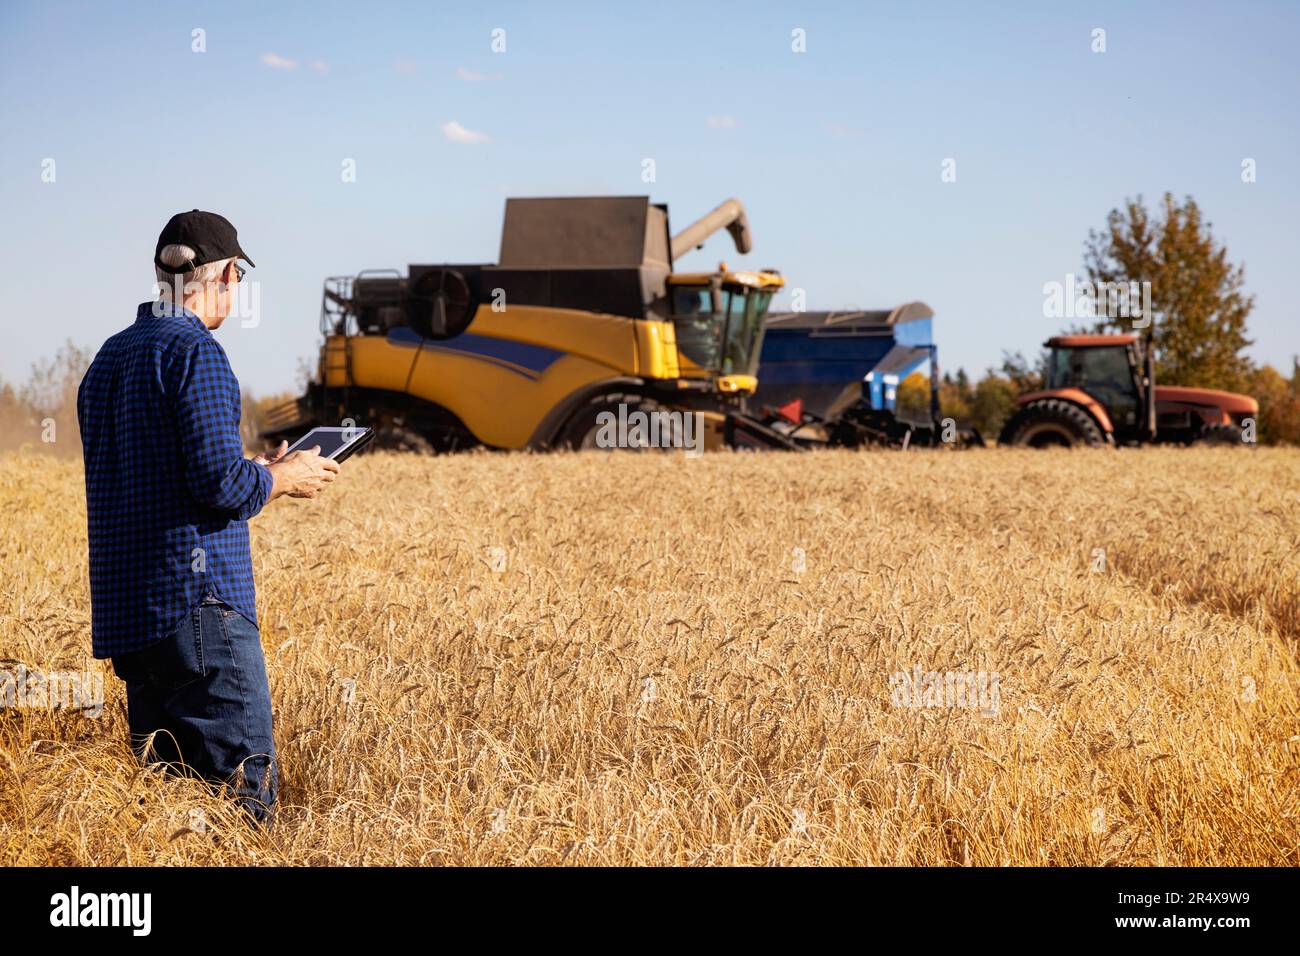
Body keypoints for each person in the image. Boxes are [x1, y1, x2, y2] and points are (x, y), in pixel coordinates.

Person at [77, 209, 339, 825]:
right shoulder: (197, 350)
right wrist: (280, 476)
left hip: (130, 618)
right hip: (198, 611)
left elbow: (163, 474)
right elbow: (220, 487)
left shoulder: (109, 359)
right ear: (224, 275)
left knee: (167, 820)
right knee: (239, 810)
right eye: (238, 277)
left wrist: (253, 464)